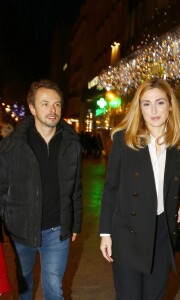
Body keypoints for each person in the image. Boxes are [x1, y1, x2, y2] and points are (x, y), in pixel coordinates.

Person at [99, 78, 180, 300]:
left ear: (170, 105)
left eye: (160, 102)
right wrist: (105, 233)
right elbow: (111, 188)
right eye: (146, 103)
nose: (153, 110)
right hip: (128, 231)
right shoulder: (123, 140)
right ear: (139, 108)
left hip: (162, 232)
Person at [0, 79, 83, 299]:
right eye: (45, 104)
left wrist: (75, 222)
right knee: (25, 285)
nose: (52, 110)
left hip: (57, 229)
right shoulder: (12, 146)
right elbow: (1, 187)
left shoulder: (71, 144)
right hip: (21, 228)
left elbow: (75, 187)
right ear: (33, 108)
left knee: (54, 287)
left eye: (56, 104)